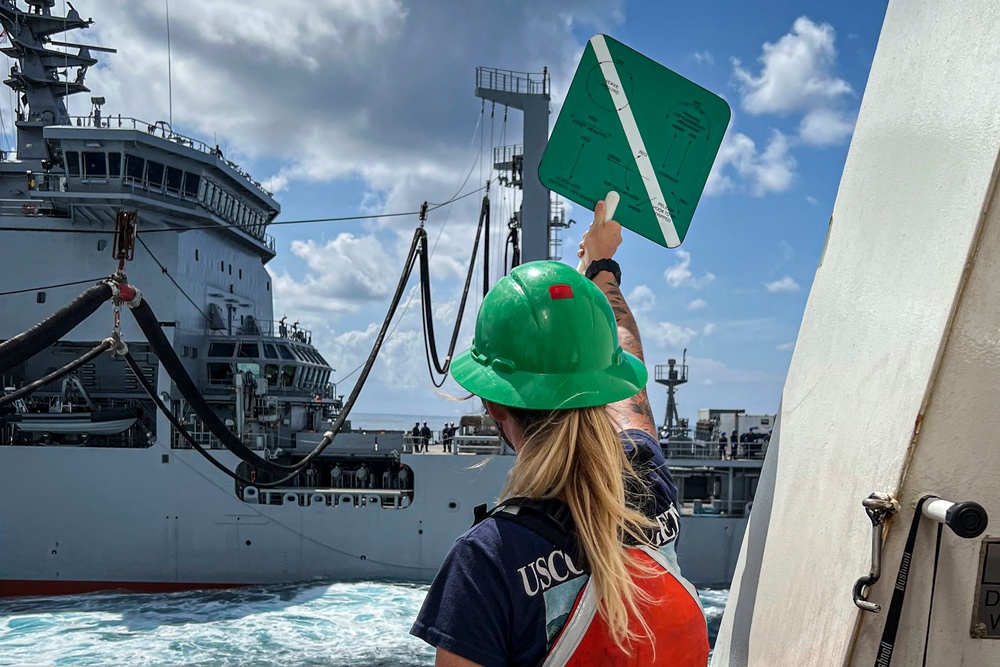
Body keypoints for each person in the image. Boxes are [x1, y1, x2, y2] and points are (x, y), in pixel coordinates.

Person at [411, 200, 708, 666]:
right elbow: (628, 358)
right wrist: (602, 269)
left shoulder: (488, 561)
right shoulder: (649, 476)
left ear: (493, 403)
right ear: (608, 383)